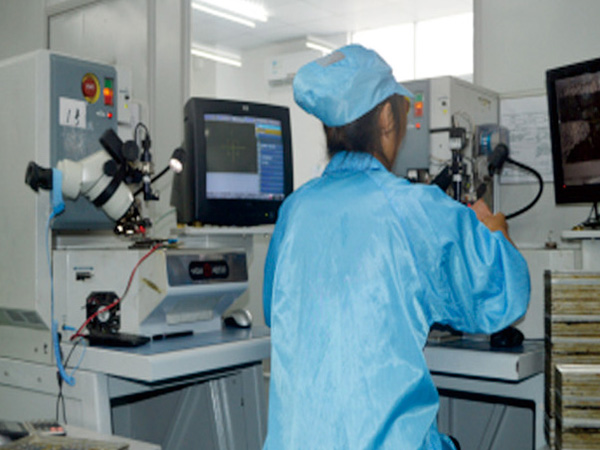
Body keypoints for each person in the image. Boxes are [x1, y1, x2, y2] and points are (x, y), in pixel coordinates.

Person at [262, 44, 530, 450]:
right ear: (387, 118)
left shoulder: (294, 210)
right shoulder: (413, 207)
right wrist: (495, 232)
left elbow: (275, 308)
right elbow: (505, 295)